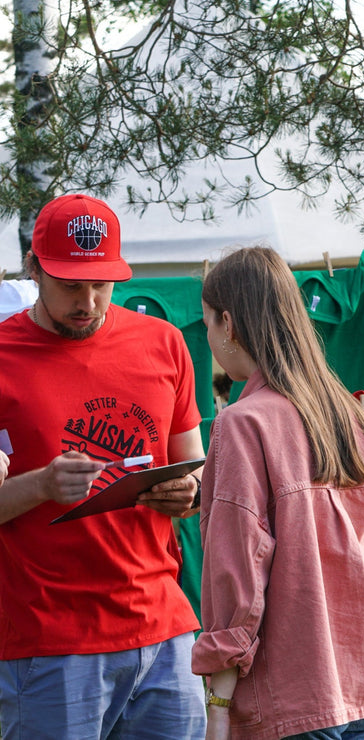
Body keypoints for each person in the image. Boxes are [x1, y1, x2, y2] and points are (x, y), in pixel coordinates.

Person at [0, 193, 207, 740]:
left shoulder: (164, 343)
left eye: (101, 283)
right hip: (47, 642)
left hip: (164, 630)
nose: (87, 302)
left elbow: (198, 468)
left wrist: (190, 491)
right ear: (33, 268)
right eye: (70, 284)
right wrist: (42, 484)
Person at [192, 246, 364, 740]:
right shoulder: (350, 414)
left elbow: (237, 573)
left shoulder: (242, 422)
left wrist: (218, 704)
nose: (209, 338)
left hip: (291, 694)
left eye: (207, 324)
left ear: (228, 323)